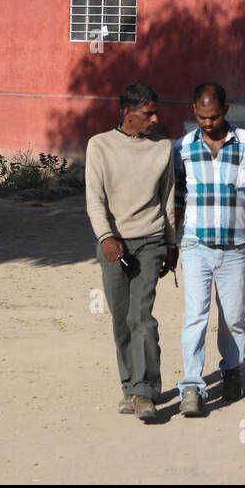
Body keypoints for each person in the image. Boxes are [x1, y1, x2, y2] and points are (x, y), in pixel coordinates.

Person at [173, 81, 245, 417]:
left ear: (226, 110)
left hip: (234, 248)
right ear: (194, 110)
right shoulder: (181, 148)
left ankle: (232, 371)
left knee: (233, 318)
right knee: (195, 317)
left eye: (215, 116)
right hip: (195, 245)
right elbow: (176, 195)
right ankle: (192, 386)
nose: (208, 123)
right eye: (203, 117)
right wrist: (170, 239)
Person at [85, 83, 178, 422]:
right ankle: (129, 387)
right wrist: (107, 237)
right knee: (121, 321)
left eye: (156, 111)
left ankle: (145, 390)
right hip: (113, 246)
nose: (156, 118)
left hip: (150, 241)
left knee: (142, 317)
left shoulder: (163, 148)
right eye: (148, 112)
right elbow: (95, 198)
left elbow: (168, 199)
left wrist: (171, 243)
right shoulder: (100, 146)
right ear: (127, 113)